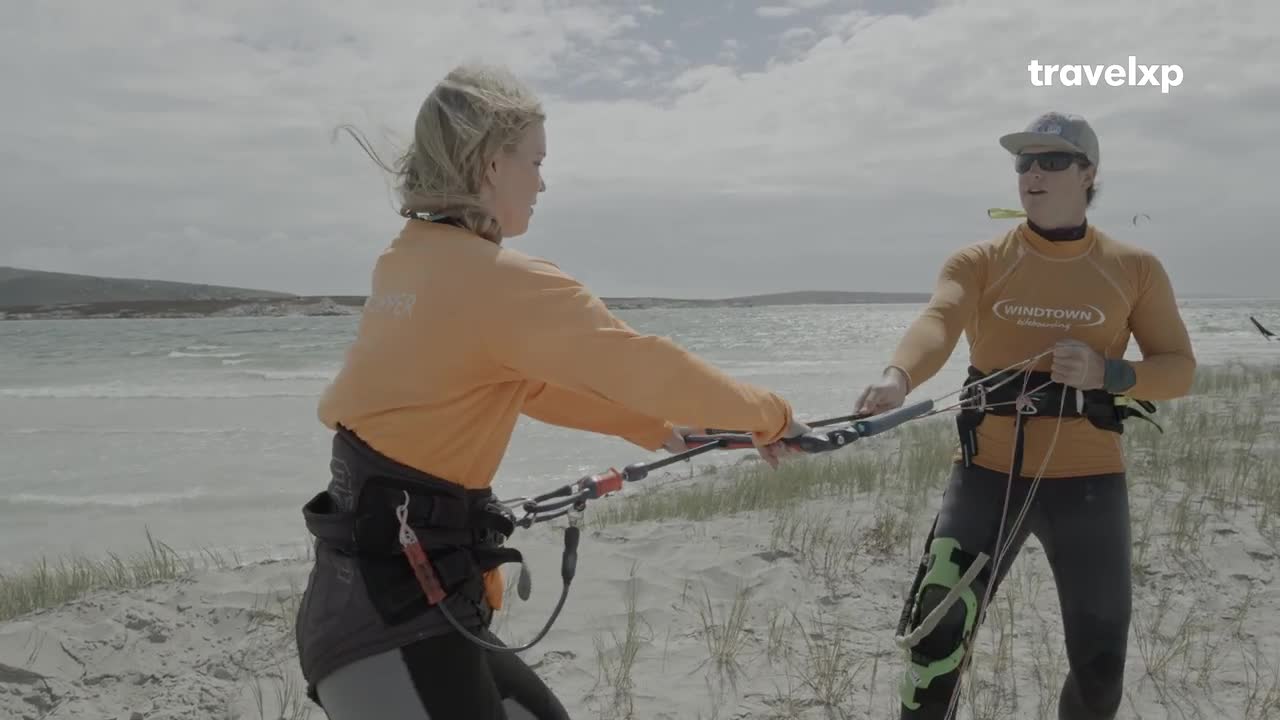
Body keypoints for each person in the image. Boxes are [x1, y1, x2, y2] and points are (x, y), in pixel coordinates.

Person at [292, 63, 811, 720]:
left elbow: (524, 385)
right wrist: (773, 416)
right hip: (388, 623)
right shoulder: (500, 281)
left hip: (402, 594)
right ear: (489, 167)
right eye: (534, 162)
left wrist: (651, 430)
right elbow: (649, 365)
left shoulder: (410, 258)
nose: (543, 182)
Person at [855, 111, 1196, 720]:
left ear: (1089, 173)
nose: (1033, 173)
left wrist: (1110, 373)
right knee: (936, 641)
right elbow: (939, 321)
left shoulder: (1133, 267)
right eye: (1024, 161)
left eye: (1053, 160)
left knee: (1100, 664)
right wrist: (898, 375)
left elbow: (1178, 368)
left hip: (1089, 482)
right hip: (986, 474)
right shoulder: (980, 259)